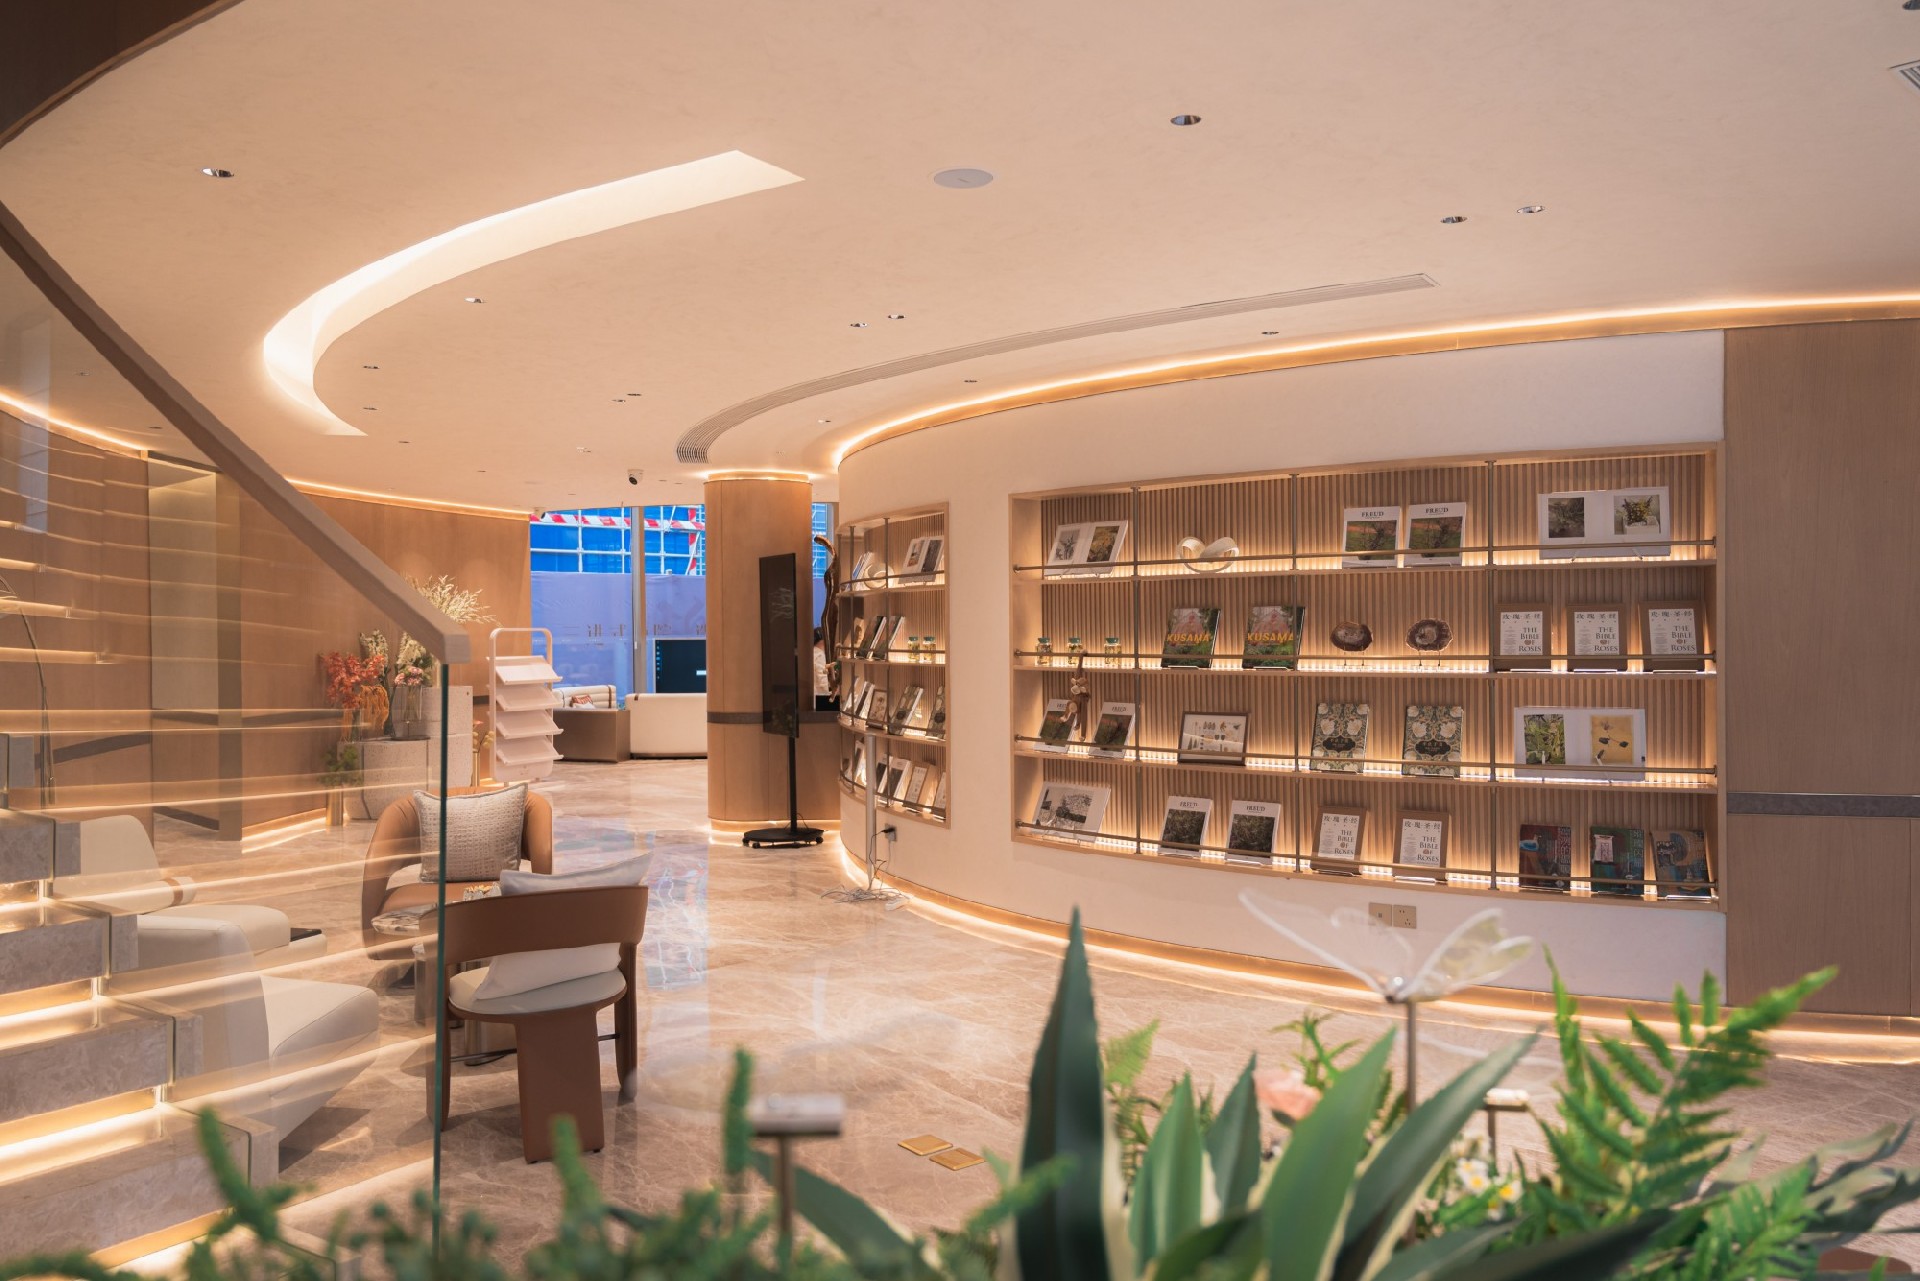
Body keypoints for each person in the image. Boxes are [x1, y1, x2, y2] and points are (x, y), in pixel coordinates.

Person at [812, 627, 835, 710]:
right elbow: (822, 686)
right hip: (817, 703)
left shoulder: (812, 652)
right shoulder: (820, 655)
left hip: (812, 700)